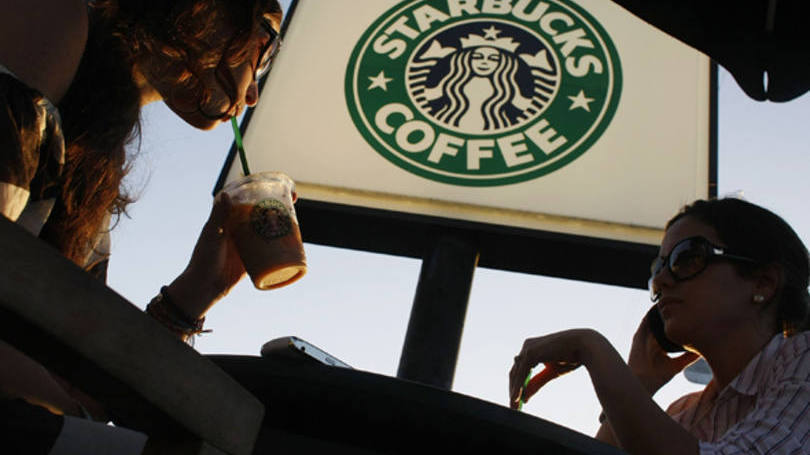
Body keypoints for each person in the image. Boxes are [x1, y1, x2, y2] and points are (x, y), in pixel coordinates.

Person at [0, 0, 283, 452]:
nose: (252, 96)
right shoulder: (48, 18)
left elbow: (83, 377)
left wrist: (195, 291)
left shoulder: (93, 148)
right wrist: (79, 415)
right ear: (210, 10)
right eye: (265, 50)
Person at [509, 198, 810, 454]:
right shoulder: (685, 414)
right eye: (659, 267)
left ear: (763, 282)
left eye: (687, 257)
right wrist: (637, 382)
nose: (661, 281)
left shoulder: (803, 361)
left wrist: (590, 347)